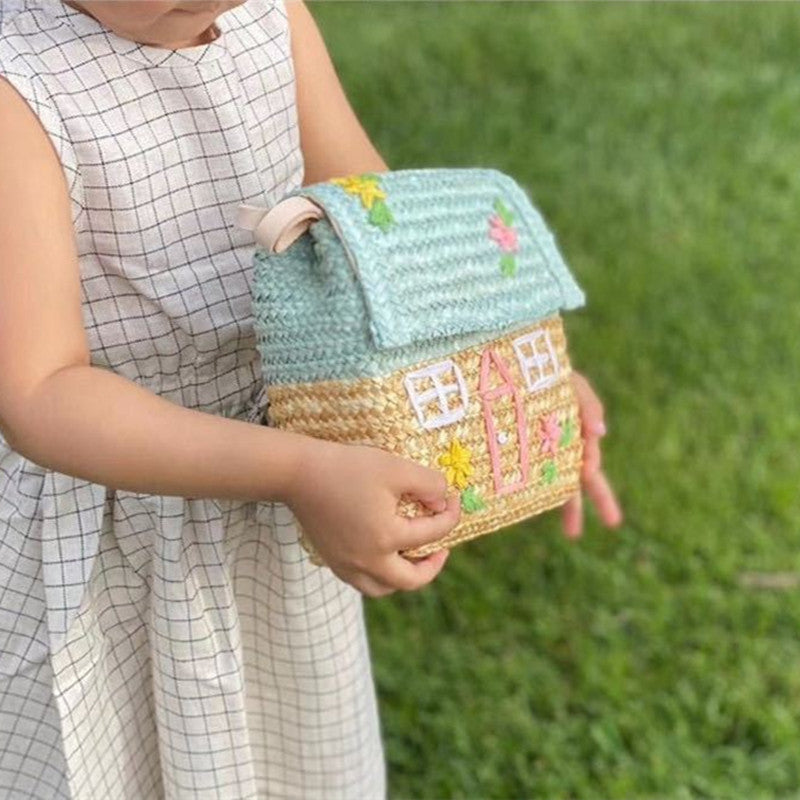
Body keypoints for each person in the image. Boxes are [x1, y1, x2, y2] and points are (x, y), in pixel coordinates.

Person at [0, 1, 623, 797]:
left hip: (282, 506)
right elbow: (42, 393)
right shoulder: (20, 84)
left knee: (290, 756)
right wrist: (295, 471)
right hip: (111, 537)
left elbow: (375, 232)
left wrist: (507, 369)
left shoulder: (270, 17)